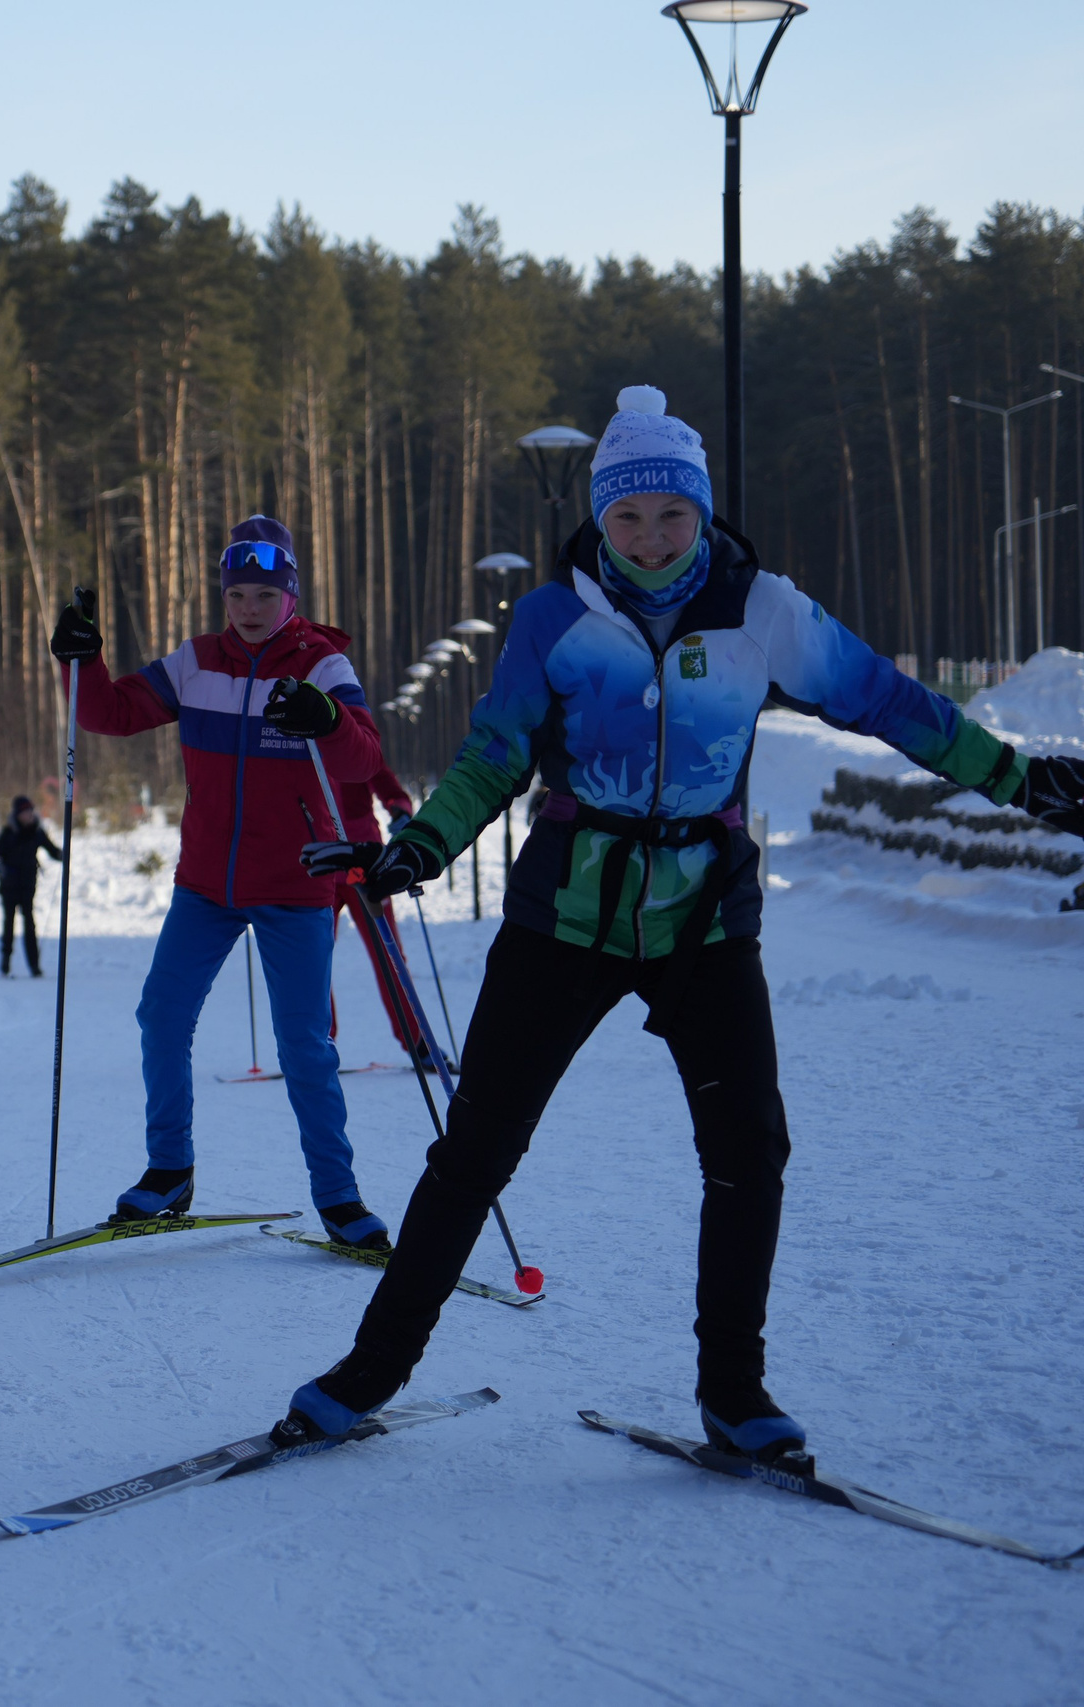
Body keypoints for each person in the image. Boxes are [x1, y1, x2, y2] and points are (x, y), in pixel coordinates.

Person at [277, 386, 1084, 1464]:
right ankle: (367, 1373)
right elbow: (493, 755)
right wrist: (417, 850)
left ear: (701, 513)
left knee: (747, 1150)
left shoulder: (763, 611)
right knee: (473, 1152)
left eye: (672, 514)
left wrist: (1015, 779)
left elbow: (889, 701)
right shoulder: (554, 617)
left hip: (706, 919)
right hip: (563, 916)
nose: (652, 537)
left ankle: (733, 1393)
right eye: (628, 517)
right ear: (600, 520)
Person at [50, 515, 391, 1242]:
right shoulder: (197, 660)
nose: (249, 608)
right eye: (237, 592)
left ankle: (340, 1195)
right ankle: (168, 1170)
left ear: (289, 593)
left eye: (265, 593)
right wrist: (81, 661)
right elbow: (110, 714)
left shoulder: (322, 663)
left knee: (304, 1043)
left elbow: (363, 758)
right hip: (206, 882)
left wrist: (325, 715)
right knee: (161, 1017)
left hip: (295, 881)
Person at [338, 760, 431, 1066]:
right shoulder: (294, 741)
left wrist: (400, 810)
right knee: (311, 956)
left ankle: (416, 1040)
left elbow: (389, 788)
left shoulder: (349, 733)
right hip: (316, 861)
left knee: (388, 952)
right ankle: (316, 1044)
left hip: (365, 862)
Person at [0, 795, 64, 976]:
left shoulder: (37, 832)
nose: (28, 815)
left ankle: (34, 966)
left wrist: (61, 854)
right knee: (9, 924)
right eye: (25, 812)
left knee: (30, 924)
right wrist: (1, 870)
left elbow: (52, 850)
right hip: (9, 887)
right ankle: (5, 964)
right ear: (17, 814)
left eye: (30, 811)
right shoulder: (8, 832)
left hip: (28, 885)